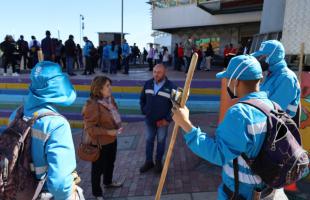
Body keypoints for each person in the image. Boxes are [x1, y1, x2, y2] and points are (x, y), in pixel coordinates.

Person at [172, 55, 289, 200]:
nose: (226, 82)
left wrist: (186, 124)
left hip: (241, 193)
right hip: (268, 189)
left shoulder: (239, 113)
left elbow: (218, 153)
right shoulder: (272, 106)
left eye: (228, 79)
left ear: (236, 81)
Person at [9, 61, 84, 199]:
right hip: (44, 193)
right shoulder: (57, 125)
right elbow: (60, 185)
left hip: (18, 189)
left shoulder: (16, 114)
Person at [82, 76, 123, 200]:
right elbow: (90, 129)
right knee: (97, 169)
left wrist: (115, 127)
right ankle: (97, 193)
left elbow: (114, 113)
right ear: (99, 89)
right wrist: (108, 132)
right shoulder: (92, 105)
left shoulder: (109, 99)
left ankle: (108, 182)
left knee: (110, 163)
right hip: (100, 143)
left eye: (110, 85)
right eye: (107, 86)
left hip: (112, 139)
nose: (110, 88)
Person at [139, 64, 176, 173]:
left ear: (165, 73)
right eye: (154, 71)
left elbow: (176, 106)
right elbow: (142, 99)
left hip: (162, 122)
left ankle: (158, 162)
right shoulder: (148, 84)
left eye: (159, 72)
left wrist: (167, 120)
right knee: (149, 140)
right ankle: (149, 162)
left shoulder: (172, 87)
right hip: (149, 120)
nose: (156, 74)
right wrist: (144, 111)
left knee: (161, 141)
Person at [251, 40, 300, 118]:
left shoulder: (286, 78)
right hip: (268, 124)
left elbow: (274, 110)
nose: (259, 59)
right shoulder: (271, 74)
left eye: (263, 56)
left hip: (279, 126)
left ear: (274, 57)